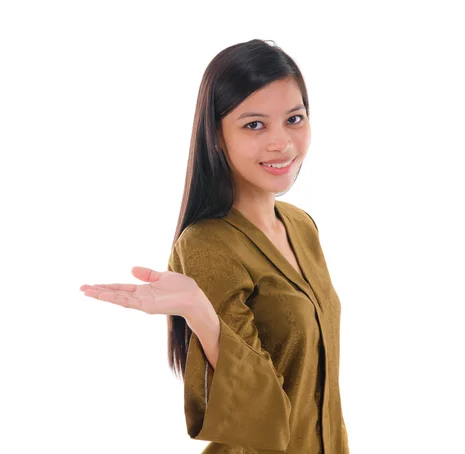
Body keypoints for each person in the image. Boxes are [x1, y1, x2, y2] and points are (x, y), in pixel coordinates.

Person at [80, 38, 349, 453]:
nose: (282, 142)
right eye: (254, 124)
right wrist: (201, 314)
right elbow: (263, 415)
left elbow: (320, 395)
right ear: (217, 137)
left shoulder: (301, 226)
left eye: (294, 119)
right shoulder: (207, 244)